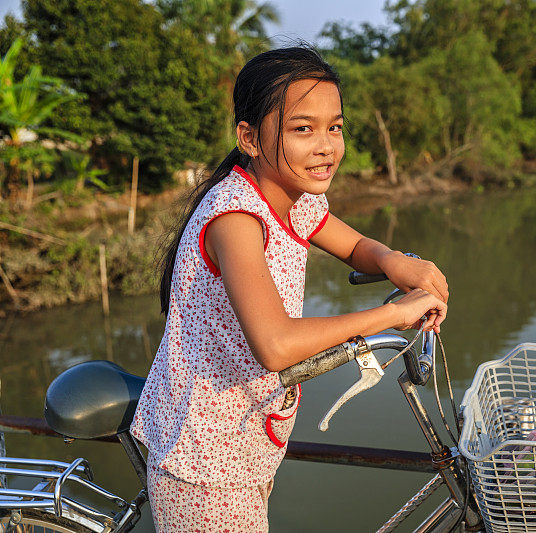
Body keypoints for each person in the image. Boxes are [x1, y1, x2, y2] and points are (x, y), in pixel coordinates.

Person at [130, 46, 448, 532]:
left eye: (335, 127)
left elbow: (356, 244)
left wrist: (400, 262)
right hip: (204, 462)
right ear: (250, 137)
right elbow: (276, 344)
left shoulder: (292, 196)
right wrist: (393, 314)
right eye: (304, 129)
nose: (326, 146)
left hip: (248, 440)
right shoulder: (236, 216)